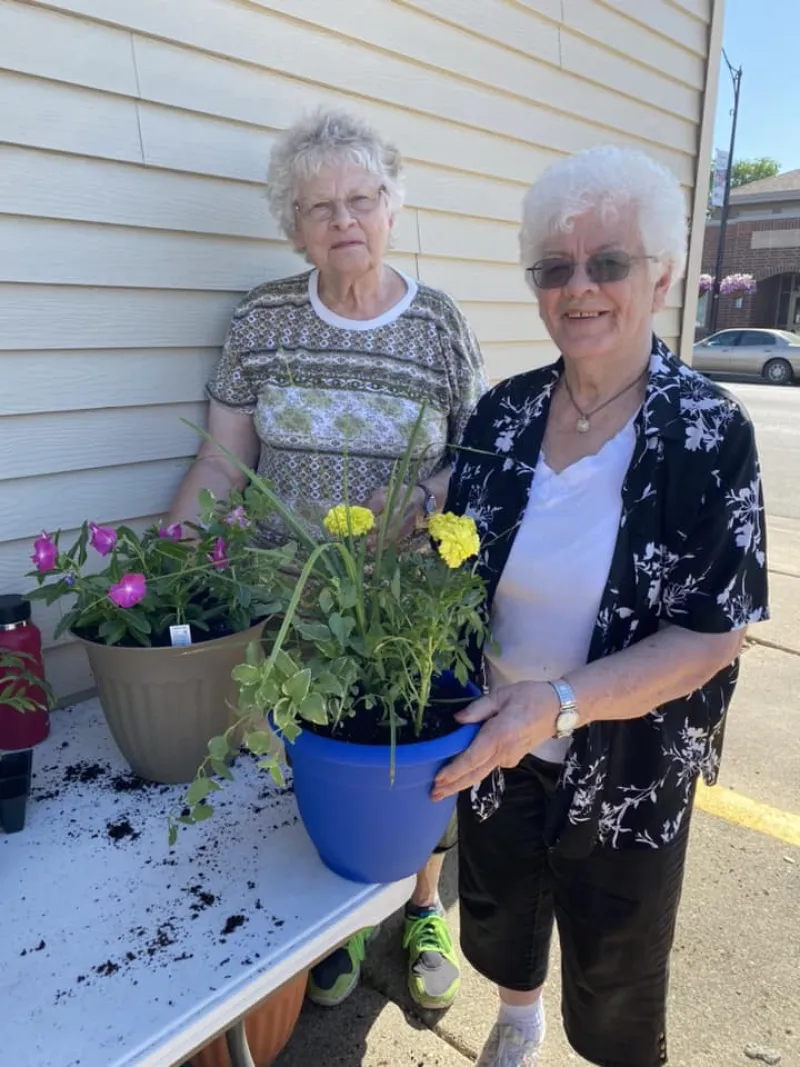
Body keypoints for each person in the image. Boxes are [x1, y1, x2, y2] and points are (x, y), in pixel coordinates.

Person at [431, 145, 769, 1067]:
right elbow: (450, 551)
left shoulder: (707, 432)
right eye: (556, 268)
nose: (579, 287)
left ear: (659, 273)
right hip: (495, 727)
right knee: (501, 901)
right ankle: (517, 1017)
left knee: (619, 953)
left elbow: (712, 635)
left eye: (608, 261)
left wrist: (563, 700)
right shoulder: (502, 414)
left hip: (629, 750)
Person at [168, 108, 486, 1012]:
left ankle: (423, 907)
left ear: (391, 206)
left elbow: (479, 454)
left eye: (361, 197)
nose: (344, 218)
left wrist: (421, 508)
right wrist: (165, 565)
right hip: (290, 603)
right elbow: (221, 461)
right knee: (325, 768)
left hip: (406, 604)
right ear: (294, 224)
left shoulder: (439, 326)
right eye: (319, 206)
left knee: (413, 761)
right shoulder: (264, 320)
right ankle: (341, 921)